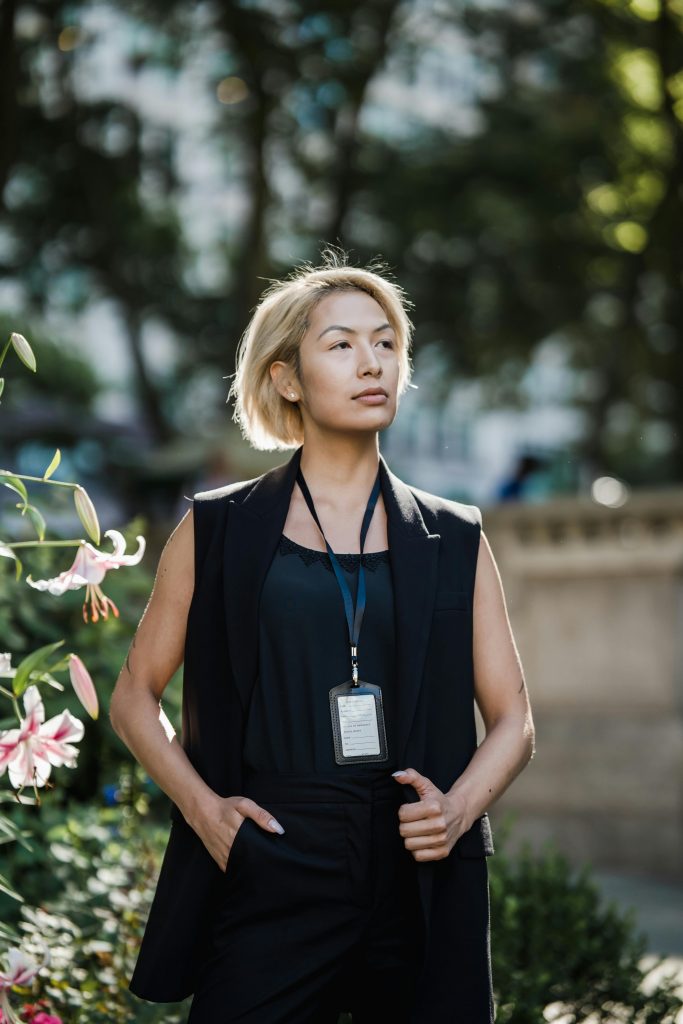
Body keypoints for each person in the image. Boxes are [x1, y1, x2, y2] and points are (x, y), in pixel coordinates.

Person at [110, 247, 535, 1024]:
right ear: (286, 378)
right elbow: (135, 696)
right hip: (273, 851)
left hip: (416, 861)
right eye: (340, 344)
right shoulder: (217, 529)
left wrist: (458, 808)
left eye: (385, 343)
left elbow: (514, 719)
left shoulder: (455, 536)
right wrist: (207, 814)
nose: (370, 362)